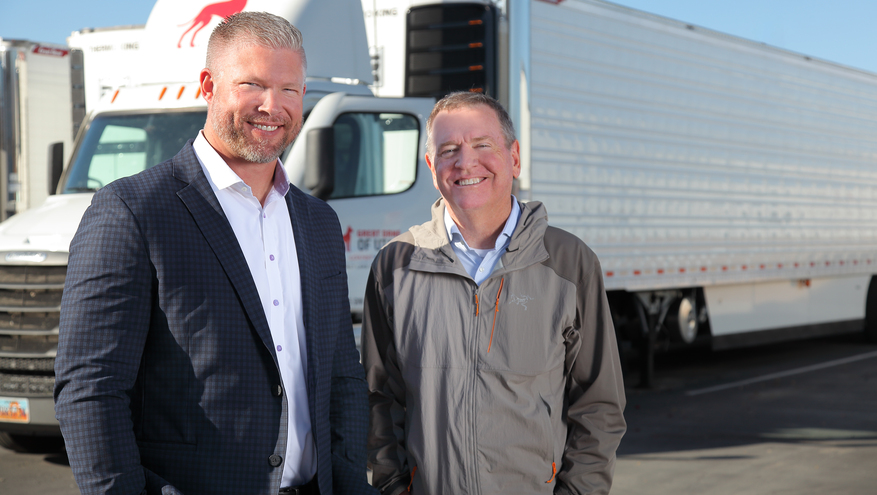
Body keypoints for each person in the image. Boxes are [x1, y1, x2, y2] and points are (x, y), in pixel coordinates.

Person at [54, 12, 373, 495]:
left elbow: (342, 375)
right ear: (208, 84)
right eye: (253, 85)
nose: (273, 106)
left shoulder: (318, 222)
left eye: (290, 89)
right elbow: (91, 388)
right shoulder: (134, 210)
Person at [361, 92, 627, 495]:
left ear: (514, 157)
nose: (466, 162)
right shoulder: (396, 266)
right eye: (449, 150)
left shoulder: (569, 263)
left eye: (482, 145)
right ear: (432, 167)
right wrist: (395, 488)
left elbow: (598, 405)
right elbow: (379, 400)